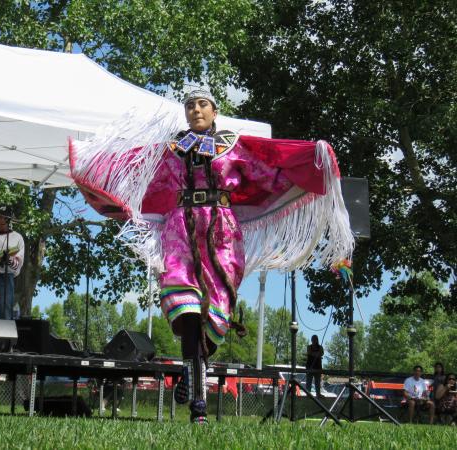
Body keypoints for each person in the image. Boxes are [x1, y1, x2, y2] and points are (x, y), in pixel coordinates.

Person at [70, 89, 353, 423]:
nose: (195, 109)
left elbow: (268, 169)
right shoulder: (170, 150)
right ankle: (198, 410)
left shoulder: (235, 146)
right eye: (190, 105)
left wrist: (311, 161)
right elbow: (136, 169)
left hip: (221, 232)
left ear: (215, 110)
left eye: (202, 104)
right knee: (188, 312)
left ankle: (191, 376)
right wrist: (91, 162)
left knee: (216, 320)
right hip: (180, 231)